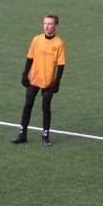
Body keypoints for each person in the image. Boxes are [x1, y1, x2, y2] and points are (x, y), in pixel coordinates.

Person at [13, 13, 68, 147]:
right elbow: (30, 58)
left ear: (56, 26)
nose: (46, 26)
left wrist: (57, 82)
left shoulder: (59, 43)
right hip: (34, 79)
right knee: (27, 105)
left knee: (46, 108)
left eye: (50, 24)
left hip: (48, 82)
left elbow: (61, 65)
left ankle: (45, 136)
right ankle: (22, 134)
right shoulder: (36, 39)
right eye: (45, 23)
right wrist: (24, 74)